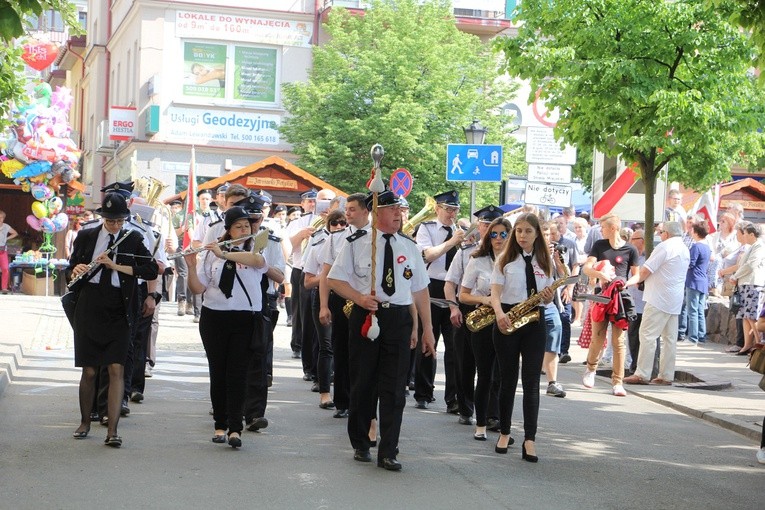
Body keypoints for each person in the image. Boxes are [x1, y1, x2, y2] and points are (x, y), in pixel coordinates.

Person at [328, 190, 436, 471]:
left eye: (400, 209)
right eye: (392, 209)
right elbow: (335, 280)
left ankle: (389, 449)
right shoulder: (357, 243)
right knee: (363, 382)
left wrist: (427, 329)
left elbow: (420, 290)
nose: (399, 214)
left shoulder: (409, 246)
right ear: (377, 212)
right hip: (367, 315)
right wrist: (359, 297)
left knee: (394, 388)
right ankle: (361, 442)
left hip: (398, 319)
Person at [68, 193, 159, 447]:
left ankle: (113, 431)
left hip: (120, 307)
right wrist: (76, 269)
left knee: (116, 367)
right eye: (110, 221)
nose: (115, 225)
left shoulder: (134, 238)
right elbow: (71, 265)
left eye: (119, 220)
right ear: (102, 218)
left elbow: (151, 269)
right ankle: (85, 422)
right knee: (89, 369)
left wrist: (116, 266)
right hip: (90, 305)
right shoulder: (86, 236)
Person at [184, 206, 268, 448]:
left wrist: (224, 254)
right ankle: (220, 425)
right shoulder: (211, 254)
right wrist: (191, 266)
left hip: (244, 319)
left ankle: (235, 428)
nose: (244, 230)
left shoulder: (255, 248)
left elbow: (257, 262)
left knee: (238, 373)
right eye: (238, 227)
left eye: (246, 226)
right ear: (229, 230)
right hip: (215, 318)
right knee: (218, 373)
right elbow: (198, 288)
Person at [489, 212, 556, 462]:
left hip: (534, 322)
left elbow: (547, 296)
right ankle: (505, 432)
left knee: (531, 383)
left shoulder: (544, 262)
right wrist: (499, 314)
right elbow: (495, 292)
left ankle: (530, 438)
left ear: (537, 233)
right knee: (507, 380)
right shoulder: (505, 260)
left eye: (528, 231)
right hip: (507, 317)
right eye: (518, 231)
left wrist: (548, 297)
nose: (522, 236)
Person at [459, 217, 510, 440]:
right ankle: (480, 424)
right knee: (486, 374)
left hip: (508, 321)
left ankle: (497, 418)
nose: (498, 239)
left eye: (502, 234)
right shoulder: (477, 260)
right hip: (483, 321)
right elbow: (463, 294)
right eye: (493, 234)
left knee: (503, 375)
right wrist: (487, 300)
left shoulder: (516, 261)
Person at [414, 190, 464, 411]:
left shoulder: (462, 231)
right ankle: (423, 392)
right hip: (431, 286)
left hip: (453, 289)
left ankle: (452, 398)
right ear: (437, 209)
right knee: (428, 339)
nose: (451, 214)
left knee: (455, 347)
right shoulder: (426, 229)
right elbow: (426, 255)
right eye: (448, 209)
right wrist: (452, 242)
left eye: (455, 210)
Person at [623, 222, 690, 385]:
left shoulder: (665, 246)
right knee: (669, 339)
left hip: (658, 298)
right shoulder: (684, 248)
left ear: (666, 233)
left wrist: (628, 282)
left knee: (647, 335)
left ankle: (642, 373)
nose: (659, 235)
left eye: (660, 232)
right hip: (674, 299)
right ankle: (666, 375)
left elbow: (645, 270)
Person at [581, 213, 639, 397]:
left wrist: (626, 283)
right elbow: (586, 268)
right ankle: (591, 369)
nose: (601, 230)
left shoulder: (630, 250)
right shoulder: (599, 246)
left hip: (621, 297)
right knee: (597, 336)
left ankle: (618, 382)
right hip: (601, 295)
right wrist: (601, 275)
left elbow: (636, 274)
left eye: (603, 227)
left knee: (619, 341)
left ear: (613, 228)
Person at [730, 222, 765, 355]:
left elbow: (750, 265)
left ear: (751, 234)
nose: (743, 236)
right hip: (745, 284)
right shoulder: (752, 246)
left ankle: (758, 343)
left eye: (745, 233)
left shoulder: (759, 246)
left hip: (753, 284)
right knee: (745, 315)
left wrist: (735, 276)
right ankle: (747, 345)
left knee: (751, 316)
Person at [684, 223, 711, 344]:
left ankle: (693, 337)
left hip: (693, 280)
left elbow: (691, 263)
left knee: (692, 310)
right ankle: (701, 335)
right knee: (700, 310)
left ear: (696, 233)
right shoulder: (706, 247)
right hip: (703, 280)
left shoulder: (696, 247)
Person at [0, 210, 19, 294]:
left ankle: (4, 287)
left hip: (2, 250)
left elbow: (15, 233)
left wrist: (6, 238)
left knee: (5, 269)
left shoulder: (6, 226)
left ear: (3, 219)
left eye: (1, 218)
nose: (0, 219)